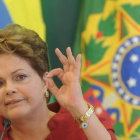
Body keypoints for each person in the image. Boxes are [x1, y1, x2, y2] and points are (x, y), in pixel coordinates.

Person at [0, 24, 117, 140]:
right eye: (0, 83)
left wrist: (78, 107)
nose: (9, 89)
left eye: (20, 77)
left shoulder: (83, 128)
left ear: (44, 82)